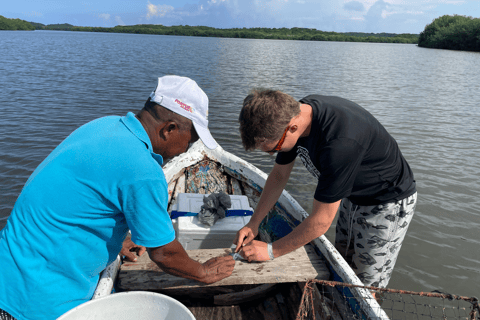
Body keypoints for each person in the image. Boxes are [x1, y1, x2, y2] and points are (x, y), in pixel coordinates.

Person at [0, 75, 235, 320]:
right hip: (35, 302)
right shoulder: (142, 170)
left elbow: (78, 200)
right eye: (191, 140)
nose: (187, 149)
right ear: (169, 129)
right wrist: (203, 272)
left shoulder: (105, 125)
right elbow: (164, 253)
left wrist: (113, 237)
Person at [234, 89, 417, 290]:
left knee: (367, 285)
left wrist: (271, 250)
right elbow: (278, 175)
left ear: (292, 127)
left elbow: (321, 221)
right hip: (352, 195)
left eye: (273, 149)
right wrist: (254, 223)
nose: (273, 154)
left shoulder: (339, 145)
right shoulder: (296, 112)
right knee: (344, 264)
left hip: (386, 202)